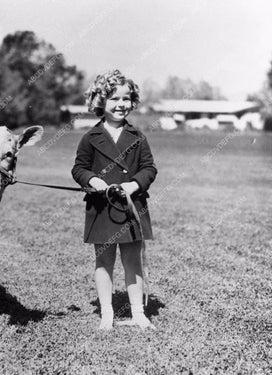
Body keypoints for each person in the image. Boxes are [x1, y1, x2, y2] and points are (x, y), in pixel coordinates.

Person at [71, 70, 157, 330]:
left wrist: (133, 185)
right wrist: (95, 182)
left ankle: (138, 312)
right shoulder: (90, 137)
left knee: (133, 260)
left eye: (126, 98)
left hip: (132, 208)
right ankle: (107, 312)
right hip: (102, 209)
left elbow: (149, 168)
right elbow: (79, 169)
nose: (121, 104)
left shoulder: (138, 137)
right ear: (100, 101)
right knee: (103, 261)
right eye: (114, 98)